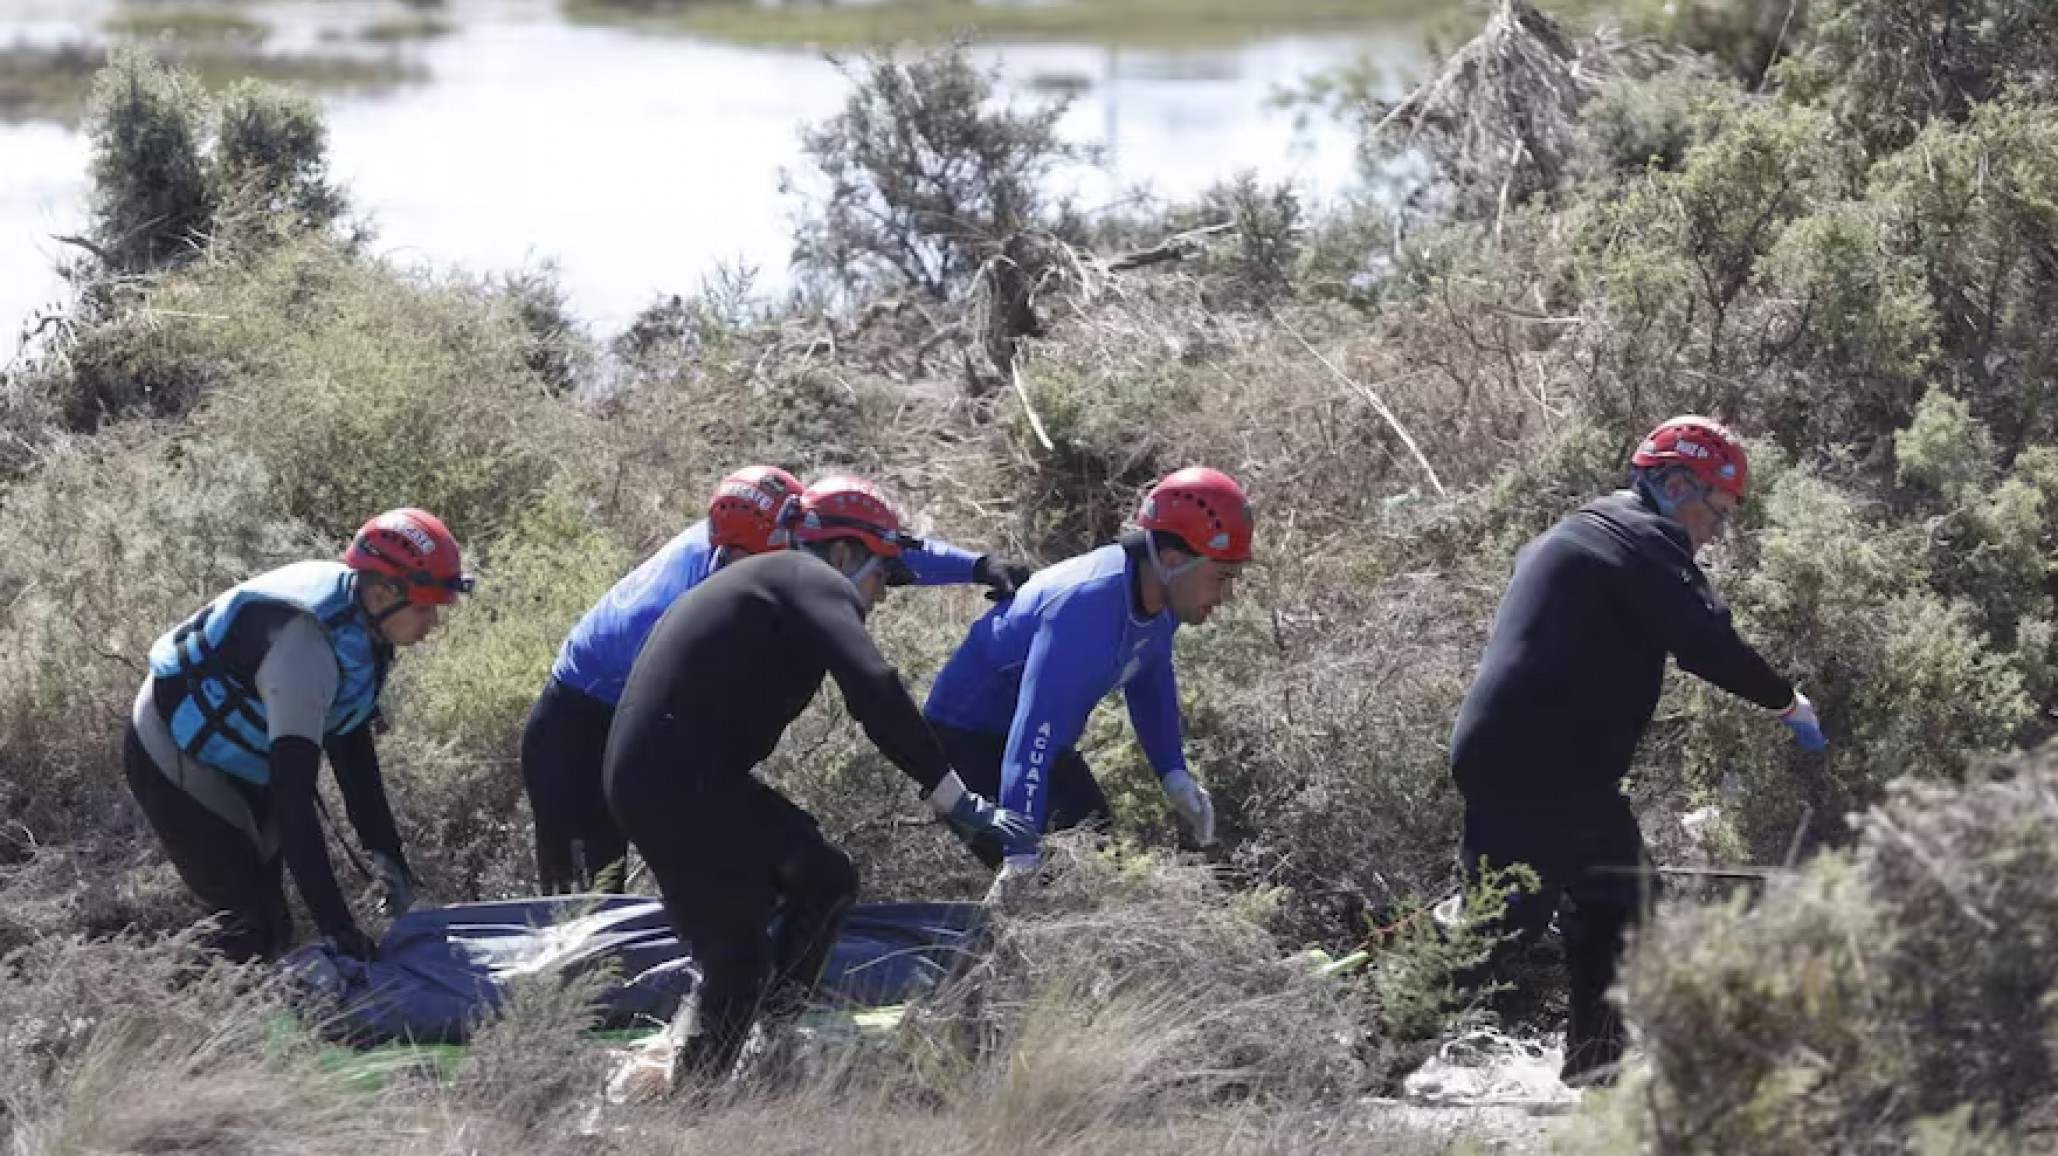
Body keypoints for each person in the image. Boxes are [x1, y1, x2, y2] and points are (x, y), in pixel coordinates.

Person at [602, 474, 1031, 1085]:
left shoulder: (781, 586)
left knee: (822, 876)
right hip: (675, 780)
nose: (881, 597)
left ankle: (770, 1041)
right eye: (883, 575)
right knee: (736, 957)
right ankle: (694, 1112)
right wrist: (956, 800)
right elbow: (875, 691)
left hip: (676, 778)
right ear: (843, 554)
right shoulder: (811, 579)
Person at [1447, 415, 1827, 1087]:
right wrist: (1786, 703)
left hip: (1544, 764)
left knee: (1621, 900)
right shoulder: (1640, 538)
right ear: (1676, 484)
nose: (1717, 530)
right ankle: (1371, 1057)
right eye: (1718, 508)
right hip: (1541, 766)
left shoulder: (1588, 532)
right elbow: (1707, 643)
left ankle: (1598, 1072)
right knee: (1506, 923)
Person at [522, 465, 1030, 893]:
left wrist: (980, 567)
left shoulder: (780, 526)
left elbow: (867, 544)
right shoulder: (688, 601)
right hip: (579, 731)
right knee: (586, 908)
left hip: (639, 735)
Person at [125, 508, 473, 964]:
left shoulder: (363, 621)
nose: (433, 623)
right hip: (172, 752)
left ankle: (256, 1007)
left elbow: (352, 749)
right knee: (250, 924)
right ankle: (171, 1014)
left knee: (271, 920)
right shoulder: (305, 649)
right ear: (386, 591)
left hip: (241, 755)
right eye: (426, 606)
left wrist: (388, 857)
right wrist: (339, 928)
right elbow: (295, 806)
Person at [922, 466, 1254, 873]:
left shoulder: (1162, 593)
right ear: (1171, 558)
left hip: (1033, 740)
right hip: (966, 740)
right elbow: (1032, 737)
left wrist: (1173, 772)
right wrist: (1019, 853)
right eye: (1220, 576)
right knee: (1051, 880)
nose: (1227, 595)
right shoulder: (1084, 607)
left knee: (1102, 863)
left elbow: (1150, 676)